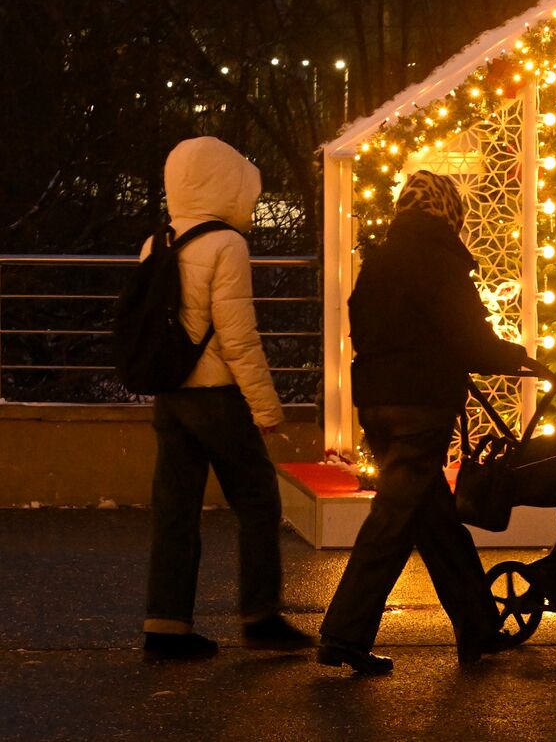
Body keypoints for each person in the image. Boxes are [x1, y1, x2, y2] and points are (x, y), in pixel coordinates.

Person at [319, 169, 536, 676]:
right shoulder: (440, 261)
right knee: (393, 520)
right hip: (420, 404)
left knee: (433, 519)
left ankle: (478, 627)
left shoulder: (380, 260)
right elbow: (467, 336)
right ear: (448, 214)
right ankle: (342, 635)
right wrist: (519, 358)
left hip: (378, 404)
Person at [142, 136, 313, 660]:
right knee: (258, 501)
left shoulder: (159, 241)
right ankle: (260, 617)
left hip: (170, 396)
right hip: (215, 397)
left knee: (176, 509)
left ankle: (166, 624)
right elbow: (238, 338)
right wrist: (266, 408)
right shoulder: (227, 245)